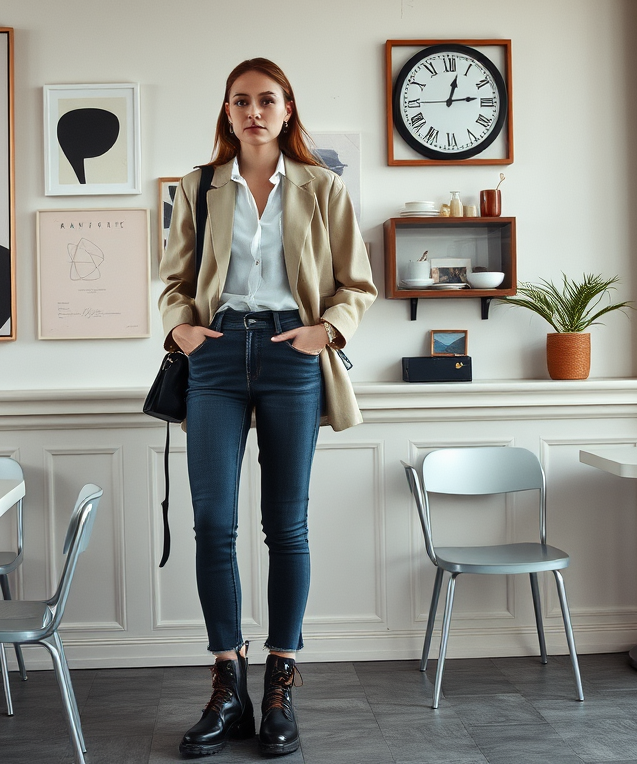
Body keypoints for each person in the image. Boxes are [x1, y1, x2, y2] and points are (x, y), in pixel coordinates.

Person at [159, 57, 376, 757]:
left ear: (288, 110)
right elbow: (172, 279)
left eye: (267, 100)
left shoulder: (323, 187)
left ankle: (281, 680)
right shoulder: (199, 188)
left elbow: (358, 283)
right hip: (216, 357)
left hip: (292, 355)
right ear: (227, 113)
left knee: (287, 525)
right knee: (212, 524)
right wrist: (180, 327)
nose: (254, 111)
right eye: (241, 101)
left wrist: (327, 330)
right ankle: (228, 683)